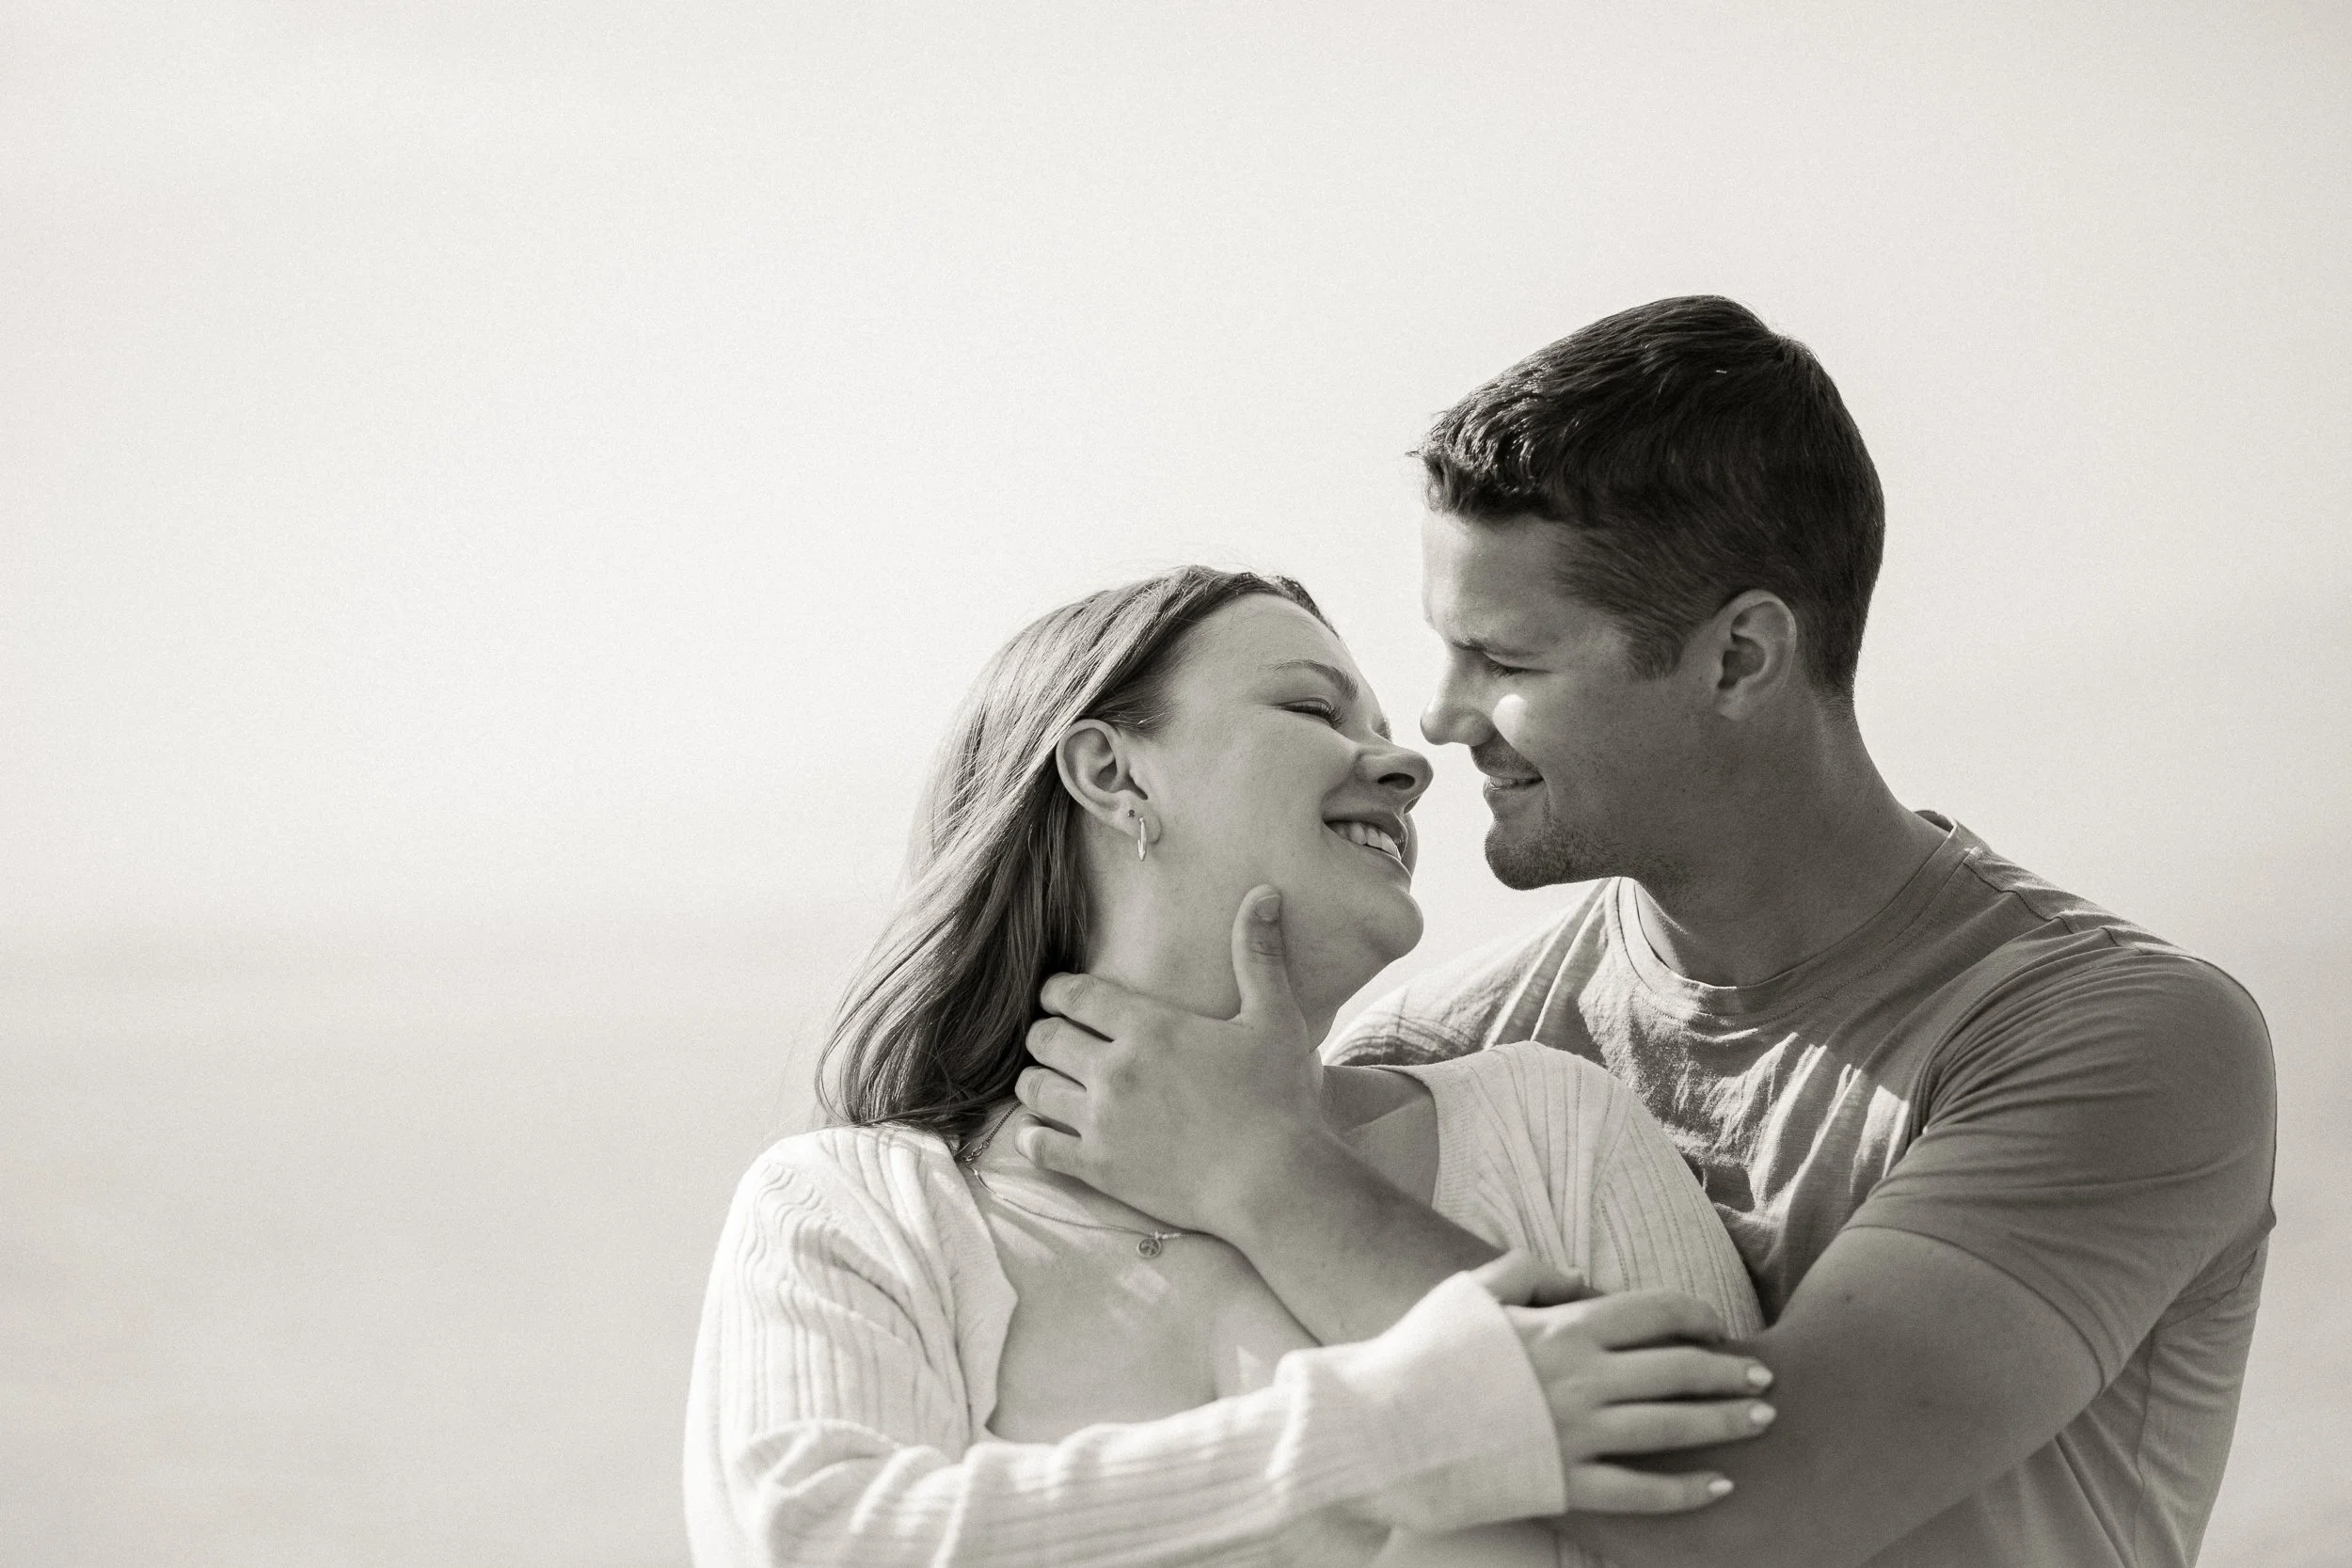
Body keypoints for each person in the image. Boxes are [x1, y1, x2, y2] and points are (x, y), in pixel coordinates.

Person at [1011, 298, 2276, 1568]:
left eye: (1506, 659)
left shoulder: (2120, 1038)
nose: (1441, 722)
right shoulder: (1439, 1053)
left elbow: (1747, 1502)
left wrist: (1268, 1174)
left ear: (1738, 658)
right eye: (1443, 649)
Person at [684, 565, 1779, 1568]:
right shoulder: (856, 1207)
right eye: (1311, 707)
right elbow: (809, 1541)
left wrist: (1267, 1165)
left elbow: (1767, 1516)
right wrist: (1419, 1427)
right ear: (1110, 771)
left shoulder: (1546, 1125)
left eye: (1384, 732)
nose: (1406, 768)